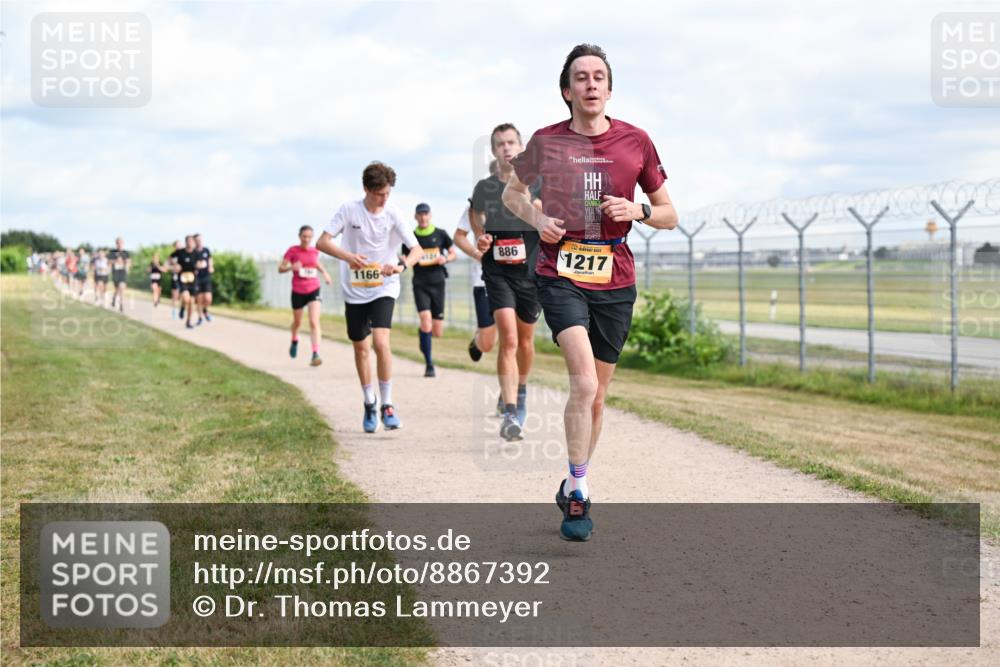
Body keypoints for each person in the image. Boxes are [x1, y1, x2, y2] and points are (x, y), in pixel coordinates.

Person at [502, 44, 678, 541]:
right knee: (582, 385)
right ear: (567, 90)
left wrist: (639, 211)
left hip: (616, 277)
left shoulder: (636, 141)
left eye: (599, 76)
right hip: (559, 271)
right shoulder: (546, 141)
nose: (591, 84)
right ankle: (578, 496)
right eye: (581, 78)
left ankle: (573, 478)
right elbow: (513, 195)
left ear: (609, 88)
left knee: (598, 397)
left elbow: (669, 214)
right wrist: (539, 219)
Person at [316, 161, 422, 433]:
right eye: (379, 194)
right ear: (366, 189)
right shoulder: (349, 211)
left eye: (387, 193)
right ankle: (369, 401)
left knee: (381, 342)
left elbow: (416, 250)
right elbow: (323, 242)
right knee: (361, 348)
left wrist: (400, 266)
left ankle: (387, 404)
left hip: (384, 286)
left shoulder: (393, 214)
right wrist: (349, 256)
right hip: (354, 290)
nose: (384, 199)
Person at [471, 123, 543, 441]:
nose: (506, 148)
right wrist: (481, 237)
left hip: (530, 272)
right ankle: (511, 413)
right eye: (500, 144)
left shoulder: (538, 182)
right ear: (493, 150)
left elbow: (546, 216)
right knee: (509, 340)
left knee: (526, 343)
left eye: (511, 143)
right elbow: (475, 216)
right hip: (497, 271)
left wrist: (528, 195)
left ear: (521, 146)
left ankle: (520, 388)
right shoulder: (484, 188)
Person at [453, 195, 501, 416]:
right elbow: (459, 236)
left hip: (517, 280)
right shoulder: (476, 205)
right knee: (489, 343)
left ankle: (509, 394)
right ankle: (478, 340)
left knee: (513, 339)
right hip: (483, 280)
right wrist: (476, 254)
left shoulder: (522, 200)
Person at [401, 202, 456, 377]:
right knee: (426, 321)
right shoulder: (410, 237)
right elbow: (404, 255)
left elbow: (453, 252)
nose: (423, 217)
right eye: (420, 214)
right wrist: (406, 260)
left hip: (438, 283)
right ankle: (429, 364)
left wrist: (445, 258)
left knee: (436, 331)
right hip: (420, 283)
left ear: (430, 215)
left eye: (426, 214)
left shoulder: (440, 234)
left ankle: (423, 336)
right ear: (416, 216)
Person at [279, 225, 333, 366]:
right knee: (297, 323)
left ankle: (315, 354)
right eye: (304, 236)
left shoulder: (315, 251)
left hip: (313, 289)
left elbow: (316, 264)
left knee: (314, 321)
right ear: (300, 236)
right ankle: (294, 339)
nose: (307, 239)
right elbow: (281, 268)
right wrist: (292, 267)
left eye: (309, 237)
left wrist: (325, 273)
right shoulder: (292, 250)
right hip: (297, 291)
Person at [172, 235, 199, 329]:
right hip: (182, 278)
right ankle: (183, 307)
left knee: (192, 302)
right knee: (186, 299)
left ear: (193, 242)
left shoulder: (196, 253)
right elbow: (170, 260)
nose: (190, 243)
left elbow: (201, 262)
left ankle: (188, 322)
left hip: (193, 279)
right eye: (188, 241)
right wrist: (175, 265)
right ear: (186, 242)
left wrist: (201, 265)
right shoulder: (180, 252)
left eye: (192, 241)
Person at [192, 233, 214, 324]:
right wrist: (195, 268)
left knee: (208, 299)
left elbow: (210, 260)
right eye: (197, 240)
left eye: (200, 240)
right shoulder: (192, 252)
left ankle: (205, 310)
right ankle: (200, 318)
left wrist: (211, 266)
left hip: (206, 277)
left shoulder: (206, 250)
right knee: (199, 299)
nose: (199, 241)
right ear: (194, 241)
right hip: (197, 278)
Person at [108, 237, 130, 313]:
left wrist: (126, 263)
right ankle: (114, 299)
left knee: (122, 288)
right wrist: (115, 261)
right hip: (115, 273)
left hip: (123, 272)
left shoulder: (126, 253)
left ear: (123, 243)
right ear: (116, 243)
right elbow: (109, 263)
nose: (119, 244)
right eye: (118, 243)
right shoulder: (112, 252)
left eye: (121, 242)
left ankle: (121, 305)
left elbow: (129, 262)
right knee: (117, 289)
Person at [168, 241, 183, 319]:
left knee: (182, 295)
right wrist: (174, 268)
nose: (178, 247)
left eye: (179, 245)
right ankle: (174, 311)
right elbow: (167, 266)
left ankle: (181, 310)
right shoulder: (172, 255)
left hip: (184, 277)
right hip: (175, 276)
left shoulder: (184, 253)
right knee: (175, 294)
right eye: (176, 246)